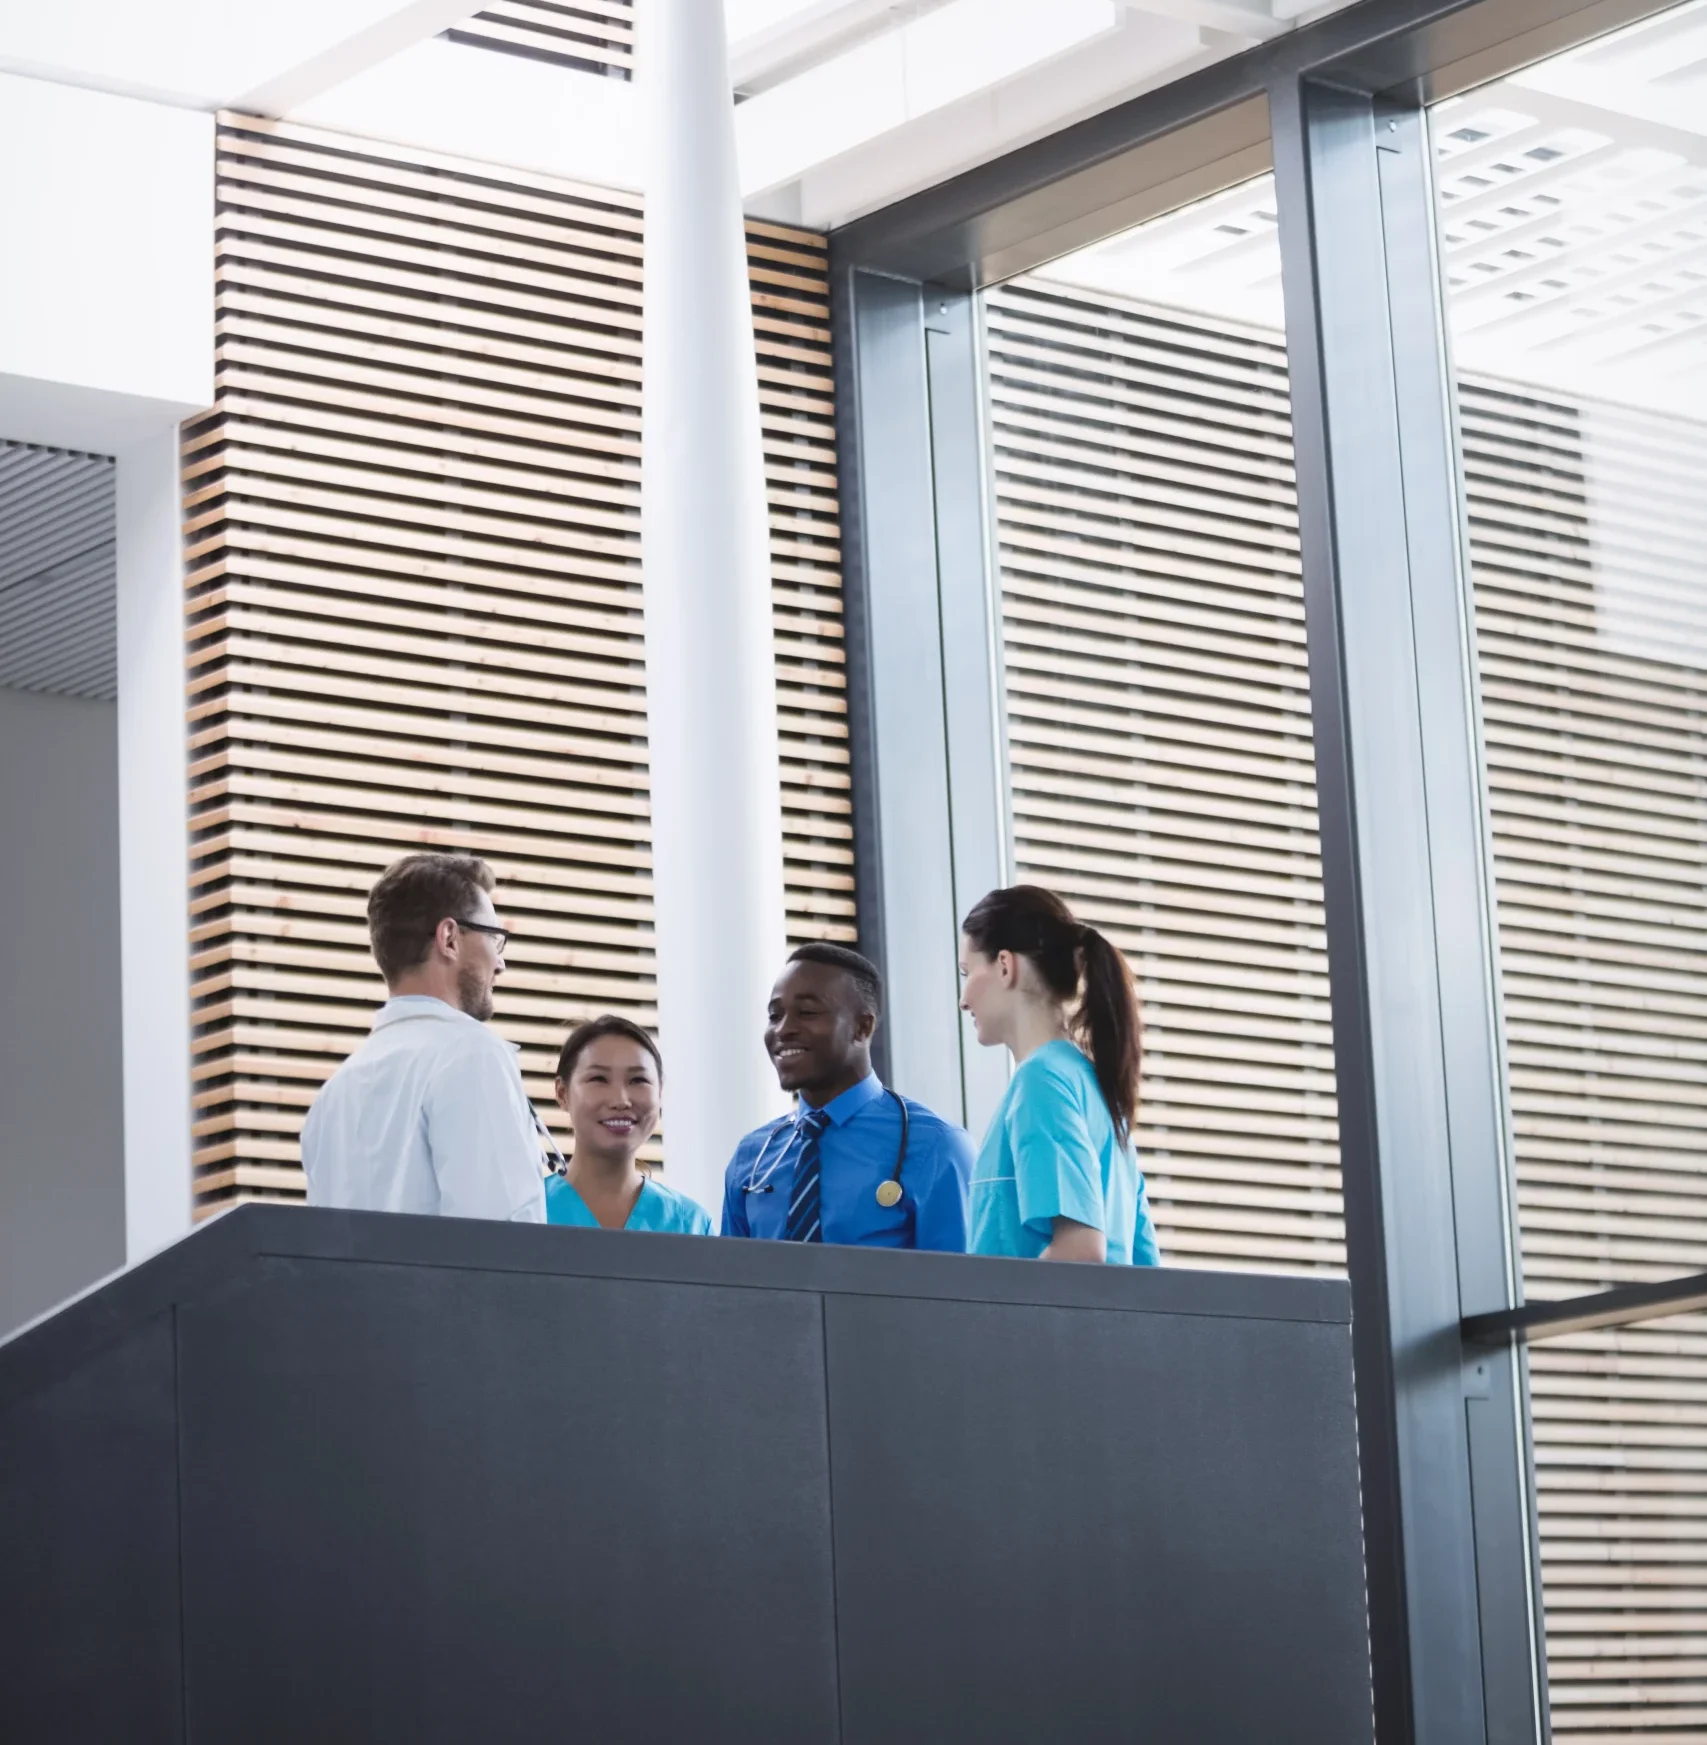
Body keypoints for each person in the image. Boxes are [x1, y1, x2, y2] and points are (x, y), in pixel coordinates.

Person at [302, 852, 546, 1223]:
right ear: (449, 938)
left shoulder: (333, 1095)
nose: (500, 963)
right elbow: (504, 1245)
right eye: (494, 938)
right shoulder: (472, 1055)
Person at [958, 884, 1160, 1265]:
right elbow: (1146, 1268)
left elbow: (1080, 1252)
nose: (963, 999)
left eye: (966, 972)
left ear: (1005, 965)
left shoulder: (1042, 1083)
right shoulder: (1097, 1089)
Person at [721, 943, 972, 1249]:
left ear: (862, 1027)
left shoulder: (936, 1147)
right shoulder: (752, 1157)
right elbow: (732, 1289)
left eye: (807, 1013)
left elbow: (961, 1291)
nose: (783, 1030)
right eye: (775, 1016)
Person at [542, 1015, 713, 1235]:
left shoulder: (690, 1223)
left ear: (660, 1094)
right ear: (562, 1093)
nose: (621, 1100)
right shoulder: (524, 1213)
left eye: (638, 1080)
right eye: (599, 1079)